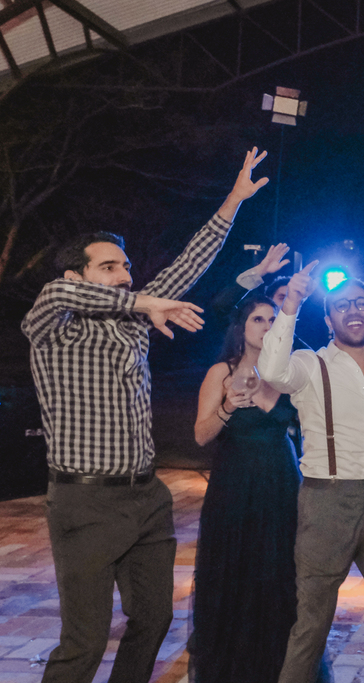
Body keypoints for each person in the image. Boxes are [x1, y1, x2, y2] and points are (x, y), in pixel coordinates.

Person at [20, 148, 269, 683]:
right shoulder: (54, 326)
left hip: (147, 497)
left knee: (154, 620)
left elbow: (189, 263)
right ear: (78, 274)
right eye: (108, 267)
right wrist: (144, 303)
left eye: (126, 266)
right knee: (85, 640)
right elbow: (57, 292)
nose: (124, 275)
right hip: (86, 500)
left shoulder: (134, 323)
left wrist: (233, 201)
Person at [259, 268, 364, 683]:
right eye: (341, 305)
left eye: (361, 304)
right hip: (326, 503)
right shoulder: (309, 365)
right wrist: (291, 303)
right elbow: (271, 372)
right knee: (312, 624)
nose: (353, 311)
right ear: (328, 320)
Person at [190, 294, 330, 682]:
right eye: (258, 319)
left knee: (281, 573)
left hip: (282, 480)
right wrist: (228, 407)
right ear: (241, 327)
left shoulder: (287, 373)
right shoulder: (221, 372)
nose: (267, 326)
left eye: (273, 320)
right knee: (236, 574)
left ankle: (281, 668)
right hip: (235, 487)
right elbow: (201, 435)